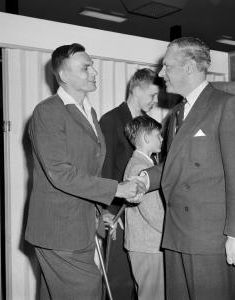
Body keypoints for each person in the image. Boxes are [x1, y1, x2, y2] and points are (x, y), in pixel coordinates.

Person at [140, 37, 235, 300]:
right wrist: (143, 180)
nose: (161, 74)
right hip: (177, 235)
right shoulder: (176, 114)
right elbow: (171, 166)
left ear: (189, 67)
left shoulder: (227, 105)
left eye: (167, 66)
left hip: (211, 239)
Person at [24, 43, 145, 300]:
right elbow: (60, 172)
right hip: (59, 231)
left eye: (92, 66)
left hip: (77, 226)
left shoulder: (88, 111)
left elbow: (89, 171)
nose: (94, 72)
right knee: (88, 291)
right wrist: (116, 189)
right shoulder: (48, 112)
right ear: (64, 75)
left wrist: (99, 215)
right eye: (85, 67)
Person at [99, 68, 160, 299]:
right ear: (135, 89)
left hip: (141, 219)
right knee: (119, 283)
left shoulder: (147, 125)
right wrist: (108, 212)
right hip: (118, 216)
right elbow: (104, 172)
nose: (155, 101)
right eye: (152, 95)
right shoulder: (111, 120)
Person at [123, 115, 165, 300]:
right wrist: (173, 231)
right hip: (148, 245)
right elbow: (152, 212)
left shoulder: (144, 164)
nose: (162, 139)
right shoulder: (140, 167)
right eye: (159, 135)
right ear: (147, 138)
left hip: (147, 244)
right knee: (152, 296)